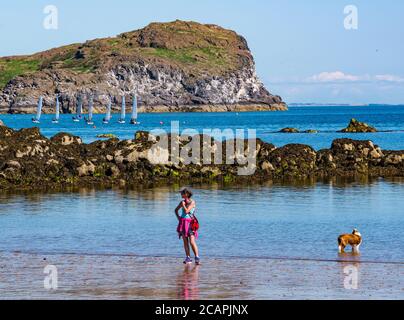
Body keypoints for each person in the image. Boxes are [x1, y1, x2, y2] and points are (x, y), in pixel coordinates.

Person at [175, 188, 200, 265]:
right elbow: (175, 210)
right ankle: (188, 258)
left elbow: (187, 211)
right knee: (185, 241)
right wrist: (178, 217)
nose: (181, 195)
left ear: (186, 194)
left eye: (182, 193)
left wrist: (183, 205)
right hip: (183, 223)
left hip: (190, 223)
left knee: (192, 241)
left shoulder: (192, 202)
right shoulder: (182, 202)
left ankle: (197, 257)